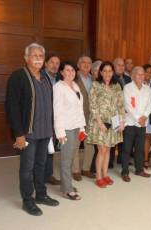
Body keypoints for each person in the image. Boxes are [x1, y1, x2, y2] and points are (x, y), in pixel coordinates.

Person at [5, 43, 59, 216]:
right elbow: (12, 107)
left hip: (44, 132)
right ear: (26, 57)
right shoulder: (18, 77)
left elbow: (50, 106)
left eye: (41, 56)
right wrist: (18, 134)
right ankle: (27, 200)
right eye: (34, 55)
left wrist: (53, 130)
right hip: (28, 133)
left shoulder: (45, 78)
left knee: (41, 166)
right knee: (27, 168)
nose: (38, 59)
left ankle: (41, 195)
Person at [86, 61, 125, 188]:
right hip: (99, 123)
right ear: (101, 72)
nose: (107, 73)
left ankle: (105, 174)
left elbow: (120, 105)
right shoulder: (95, 85)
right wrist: (99, 122)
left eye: (110, 71)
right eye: (105, 71)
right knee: (101, 150)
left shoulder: (117, 86)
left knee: (108, 149)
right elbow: (92, 105)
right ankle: (98, 176)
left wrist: (122, 121)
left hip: (112, 122)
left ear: (113, 72)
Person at [53, 61, 85, 200]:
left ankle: (66, 184)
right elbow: (57, 112)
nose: (70, 72)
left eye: (72, 70)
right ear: (61, 72)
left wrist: (82, 128)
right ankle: (67, 189)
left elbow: (79, 109)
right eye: (67, 70)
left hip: (76, 126)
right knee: (66, 159)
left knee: (71, 157)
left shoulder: (75, 86)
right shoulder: (58, 87)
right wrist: (60, 133)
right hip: (66, 128)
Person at [121, 66, 151, 182]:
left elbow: (150, 104)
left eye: (142, 74)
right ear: (133, 76)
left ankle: (139, 169)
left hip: (143, 123)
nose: (140, 76)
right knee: (127, 148)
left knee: (140, 148)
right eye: (138, 74)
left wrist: (144, 117)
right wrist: (138, 118)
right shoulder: (127, 88)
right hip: (130, 122)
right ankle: (125, 172)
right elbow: (127, 105)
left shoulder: (147, 88)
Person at [73, 56, 95, 180]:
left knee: (90, 144)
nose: (86, 65)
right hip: (77, 118)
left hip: (91, 118)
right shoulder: (73, 78)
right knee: (76, 144)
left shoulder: (94, 79)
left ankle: (86, 168)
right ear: (78, 64)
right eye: (83, 62)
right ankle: (75, 170)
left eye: (88, 63)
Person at [41, 53, 61, 186]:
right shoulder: (40, 77)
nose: (54, 65)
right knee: (41, 149)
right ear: (46, 63)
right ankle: (39, 176)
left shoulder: (59, 79)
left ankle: (48, 175)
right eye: (52, 62)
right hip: (42, 119)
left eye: (57, 63)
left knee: (50, 148)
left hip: (55, 119)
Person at [112, 57, 131, 166]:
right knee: (114, 137)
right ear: (114, 67)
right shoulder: (111, 78)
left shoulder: (128, 79)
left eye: (123, 65)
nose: (121, 67)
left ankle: (122, 159)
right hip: (115, 113)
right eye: (118, 65)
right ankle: (109, 162)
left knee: (125, 138)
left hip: (127, 113)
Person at [142, 64, 151, 172]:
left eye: (150, 72)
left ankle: (146, 159)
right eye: (146, 71)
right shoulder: (138, 83)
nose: (148, 74)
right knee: (140, 139)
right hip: (139, 116)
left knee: (148, 137)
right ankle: (142, 159)